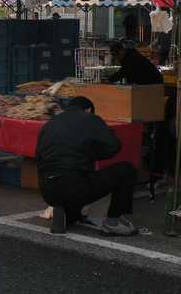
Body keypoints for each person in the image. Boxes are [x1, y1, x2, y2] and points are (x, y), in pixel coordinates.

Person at [35, 96, 137, 235]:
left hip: (47, 189)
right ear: (89, 110)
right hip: (75, 185)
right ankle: (112, 223)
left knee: (73, 196)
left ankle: (63, 213)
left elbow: (38, 156)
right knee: (126, 170)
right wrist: (93, 154)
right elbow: (114, 146)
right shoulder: (90, 119)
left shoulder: (50, 123)